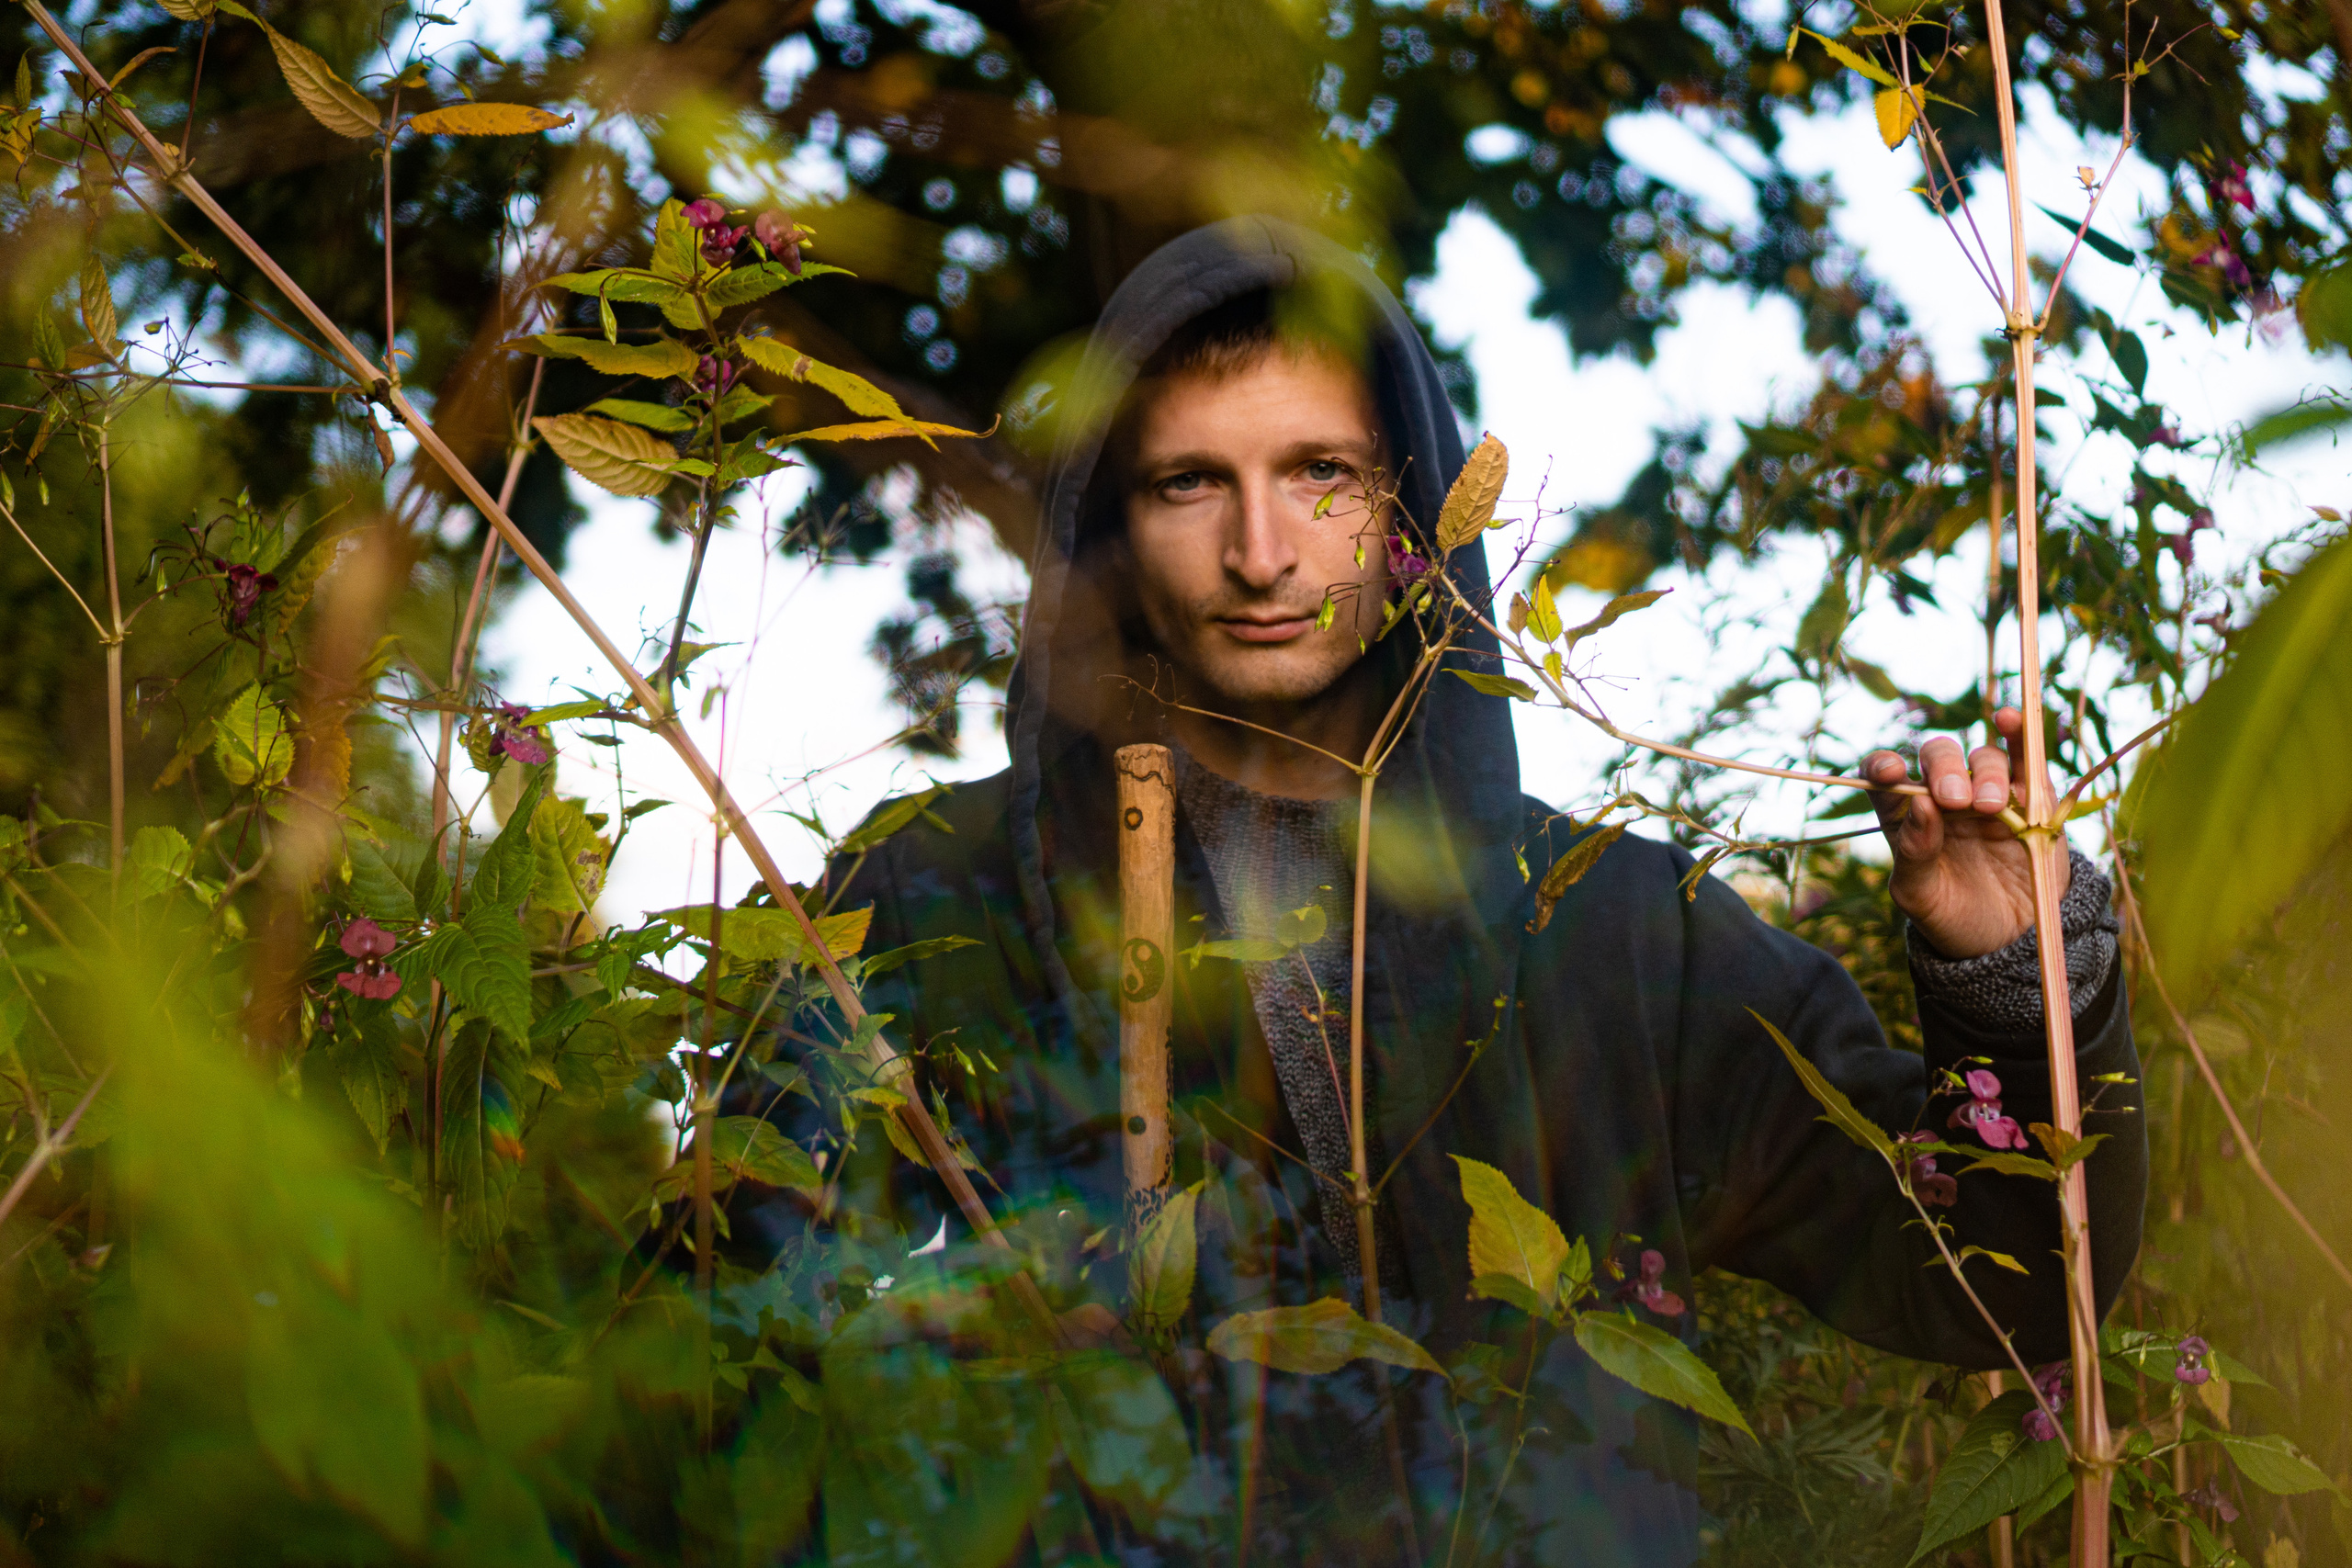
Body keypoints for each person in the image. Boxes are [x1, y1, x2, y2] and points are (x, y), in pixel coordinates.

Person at [746, 217, 2144, 1566]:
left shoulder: (1612, 928)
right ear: (1111, 522)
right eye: (1189, 482)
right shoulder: (935, 893)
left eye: (1322, 475)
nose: (1262, 552)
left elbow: (2002, 1284)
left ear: (1410, 506)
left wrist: (2012, 987)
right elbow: (726, 1342)